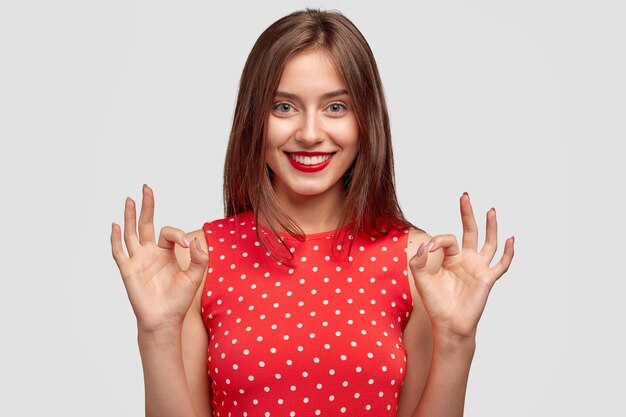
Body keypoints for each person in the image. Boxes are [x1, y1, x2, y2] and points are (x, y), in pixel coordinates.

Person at [110, 8, 515, 417]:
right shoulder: (198, 259)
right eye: (284, 107)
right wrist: (157, 332)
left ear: (366, 120)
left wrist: (457, 339)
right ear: (255, 119)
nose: (308, 133)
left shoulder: (417, 264)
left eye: (335, 107)